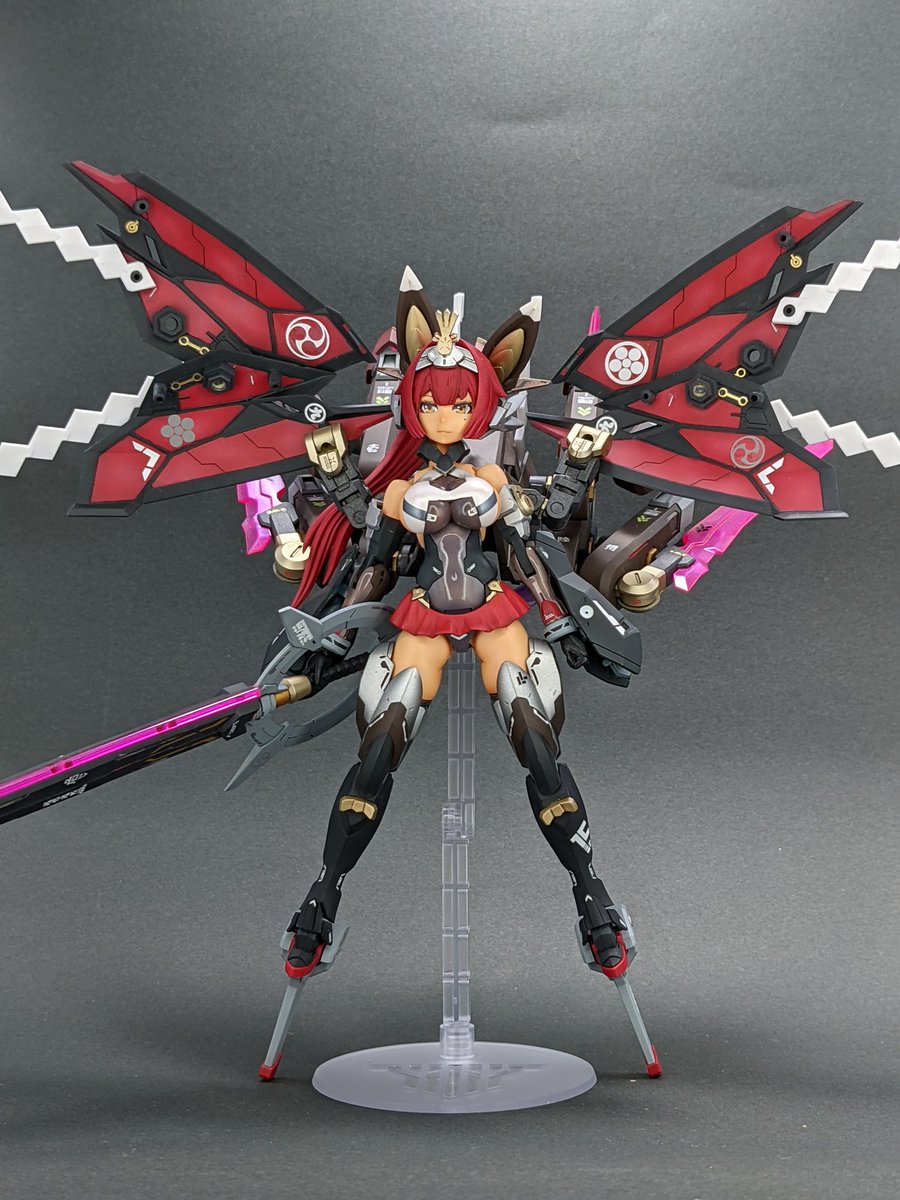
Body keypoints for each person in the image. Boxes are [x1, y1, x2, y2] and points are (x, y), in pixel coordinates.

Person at [282, 283, 630, 983]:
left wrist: (560, 619)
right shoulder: (395, 493)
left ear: (483, 406)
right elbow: (373, 572)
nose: (445, 415)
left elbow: (524, 557)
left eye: (460, 403)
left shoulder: (493, 480)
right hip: (425, 615)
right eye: (432, 402)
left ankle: (591, 892)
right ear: (412, 402)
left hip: (495, 609)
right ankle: (323, 893)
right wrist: (328, 648)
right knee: (383, 737)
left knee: (533, 732)